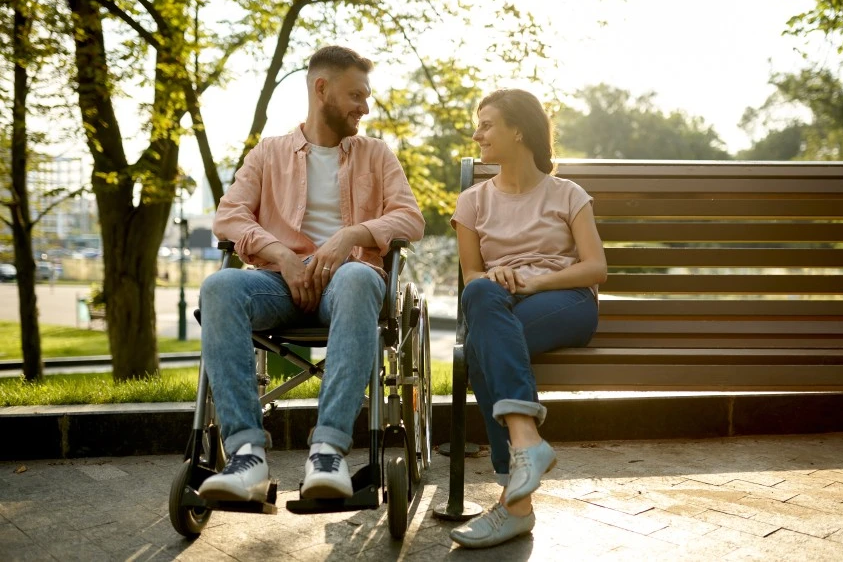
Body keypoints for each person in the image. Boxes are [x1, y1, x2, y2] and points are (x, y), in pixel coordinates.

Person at [196, 45, 425, 502]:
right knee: (219, 286)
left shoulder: (377, 155)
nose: (365, 106)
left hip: (347, 287)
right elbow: (229, 216)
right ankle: (246, 458)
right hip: (278, 285)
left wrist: (351, 236)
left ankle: (328, 451)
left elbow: (410, 219)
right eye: (356, 95)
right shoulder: (268, 154)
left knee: (361, 277)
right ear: (321, 89)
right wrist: (279, 253)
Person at [448, 89, 607, 548]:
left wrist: (534, 281)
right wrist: (495, 275)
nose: (477, 134)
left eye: (487, 124)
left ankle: (515, 499)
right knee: (480, 300)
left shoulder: (568, 193)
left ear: (518, 129)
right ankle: (523, 458)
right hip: (502, 307)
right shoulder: (472, 202)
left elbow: (596, 268)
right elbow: (473, 276)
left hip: (566, 301)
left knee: (482, 344)